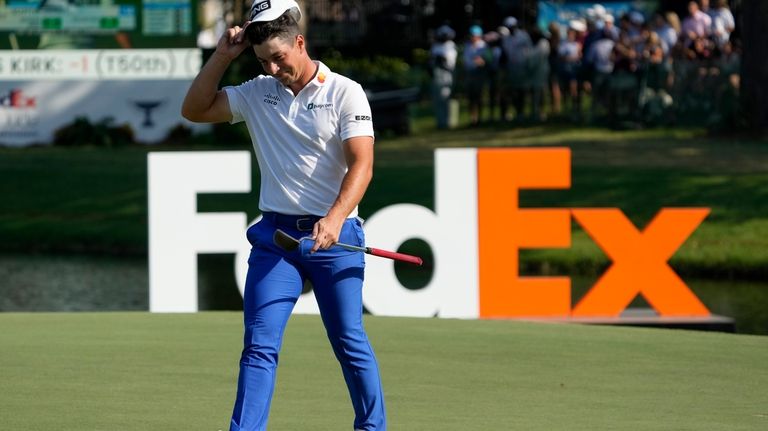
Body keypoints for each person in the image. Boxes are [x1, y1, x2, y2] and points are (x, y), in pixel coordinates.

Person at [180, 1, 386, 430]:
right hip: (276, 241)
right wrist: (223, 56)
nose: (272, 68)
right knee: (259, 346)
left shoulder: (344, 91)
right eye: (262, 61)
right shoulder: (257, 92)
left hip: (336, 235)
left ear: (299, 42)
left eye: (279, 58)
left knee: (349, 341)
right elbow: (195, 109)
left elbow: (361, 164)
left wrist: (332, 220)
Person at [429, 24, 457, 129]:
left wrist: (441, 60)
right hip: (436, 76)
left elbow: (449, 64)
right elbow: (431, 61)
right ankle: (440, 122)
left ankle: (447, 122)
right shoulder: (435, 46)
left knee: (445, 98)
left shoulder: (450, 45)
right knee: (437, 100)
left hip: (446, 75)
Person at [462, 24, 490, 126]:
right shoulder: (467, 45)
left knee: (478, 97)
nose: (472, 37)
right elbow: (466, 61)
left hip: (479, 74)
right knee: (471, 97)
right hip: (469, 74)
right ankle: (473, 119)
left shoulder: (483, 45)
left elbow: (486, 60)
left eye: (473, 35)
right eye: (471, 35)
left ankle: (480, 119)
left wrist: (482, 62)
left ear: (478, 35)